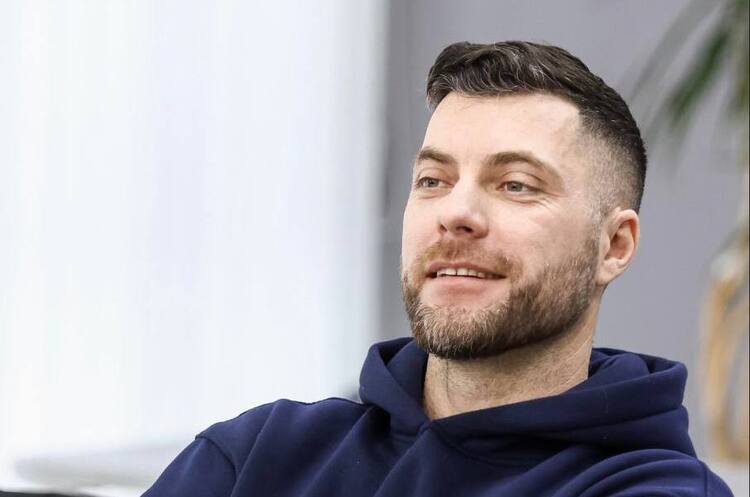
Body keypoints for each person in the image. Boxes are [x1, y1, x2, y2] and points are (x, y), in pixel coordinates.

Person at [143, 41, 733, 496]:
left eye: (516, 184)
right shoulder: (256, 456)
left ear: (614, 246)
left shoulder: (654, 490)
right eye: (433, 180)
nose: (456, 213)